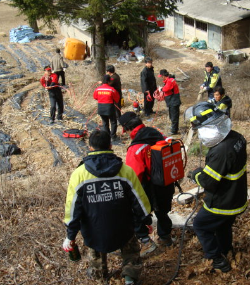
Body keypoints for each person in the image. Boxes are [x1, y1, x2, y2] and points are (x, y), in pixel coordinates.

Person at [63, 130, 152, 285]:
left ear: (90, 147)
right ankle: (130, 277)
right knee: (131, 251)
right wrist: (146, 220)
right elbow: (139, 200)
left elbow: (72, 209)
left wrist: (70, 236)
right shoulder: (125, 170)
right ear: (111, 146)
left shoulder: (79, 174)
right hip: (124, 227)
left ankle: (99, 276)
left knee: (96, 254)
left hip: (94, 229)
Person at [185, 102, 247, 273]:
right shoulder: (236, 137)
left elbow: (209, 182)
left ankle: (216, 259)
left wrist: (196, 174)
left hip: (223, 202)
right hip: (237, 196)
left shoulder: (221, 151)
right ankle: (226, 249)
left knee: (200, 225)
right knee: (223, 226)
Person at [119, 112, 176, 256]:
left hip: (150, 188)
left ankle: (146, 242)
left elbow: (134, 176)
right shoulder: (157, 133)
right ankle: (166, 238)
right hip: (167, 183)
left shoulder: (135, 148)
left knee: (135, 214)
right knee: (162, 212)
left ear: (126, 129)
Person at [93, 75, 120, 140]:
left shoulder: (98, 89)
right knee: (113, 122)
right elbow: (117, 98)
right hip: (109, 108)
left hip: (101, 108)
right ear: (108, 81)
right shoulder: (112, 89)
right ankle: (113, 136)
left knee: (105, 122)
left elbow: (95, 97)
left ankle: (107, 136)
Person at [158, 69, 181, 135]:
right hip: (171, 101)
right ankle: (174, 128)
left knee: (174, 117)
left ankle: (174, 131)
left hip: (174, 101)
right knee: (172, 116)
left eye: (161, 76)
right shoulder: (169, 80)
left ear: (163, 76)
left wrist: (161, 89)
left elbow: (166, 89)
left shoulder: (170, 81)